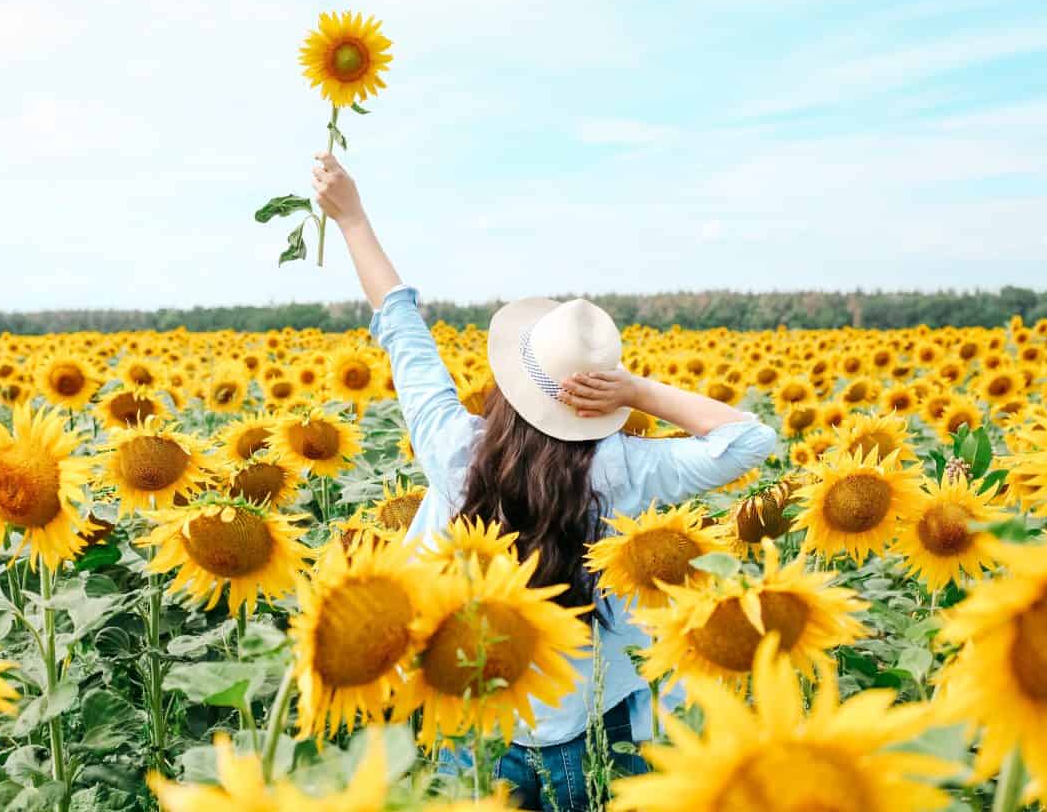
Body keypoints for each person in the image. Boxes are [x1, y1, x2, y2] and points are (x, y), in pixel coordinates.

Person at [311, 151, 777, 811]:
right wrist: (639, 389)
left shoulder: (454, 449)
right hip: (586, 727)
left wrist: (353, 219)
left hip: (469, 716)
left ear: (508, 382)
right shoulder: (623, 468)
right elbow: (750, 439)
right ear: (599, 396)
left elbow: (403, 332)